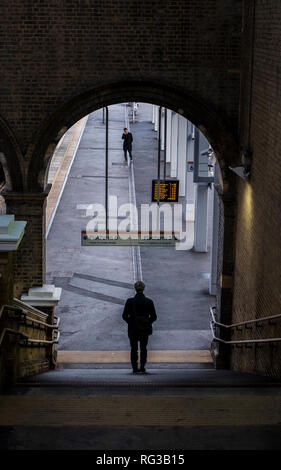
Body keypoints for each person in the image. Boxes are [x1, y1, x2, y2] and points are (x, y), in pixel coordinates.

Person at [122, 281, 157, 373]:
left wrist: (131, 322)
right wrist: (147, 322)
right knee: (143, 348)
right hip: (144, 329)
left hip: (133, 329)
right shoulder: (149, 302)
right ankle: (142, 366)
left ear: (135, 289)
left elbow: (124, 316)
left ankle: (134, 368)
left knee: (133, 348)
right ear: (144, 289)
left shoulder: (130, 302)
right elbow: (154, 316)